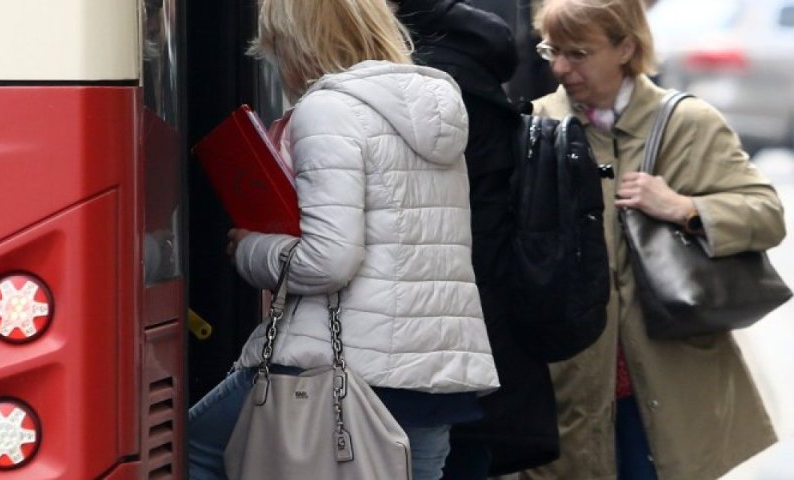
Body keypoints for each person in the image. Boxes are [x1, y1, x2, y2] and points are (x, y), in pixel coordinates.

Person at [186, 1, 499, 479]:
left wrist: (250, 248)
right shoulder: (436, 111)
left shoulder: (327, 110)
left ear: (296, 41)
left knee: (195, 450)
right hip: (434, 376)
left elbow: (329, 259)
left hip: (341, 368)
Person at [525, 0, 786, 479]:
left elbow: (766, 215)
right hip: (571, 385)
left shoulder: (689, 123)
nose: (561, 68)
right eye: (551, 51)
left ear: (626, 46)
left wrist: (686, 209)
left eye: (578, 53)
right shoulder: (538, 126)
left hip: (668, 381)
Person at [392, 0, 561, 477]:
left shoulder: (415, 84)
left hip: (427, 326)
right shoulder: (477, 74)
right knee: (466, 455)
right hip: (489, 321)